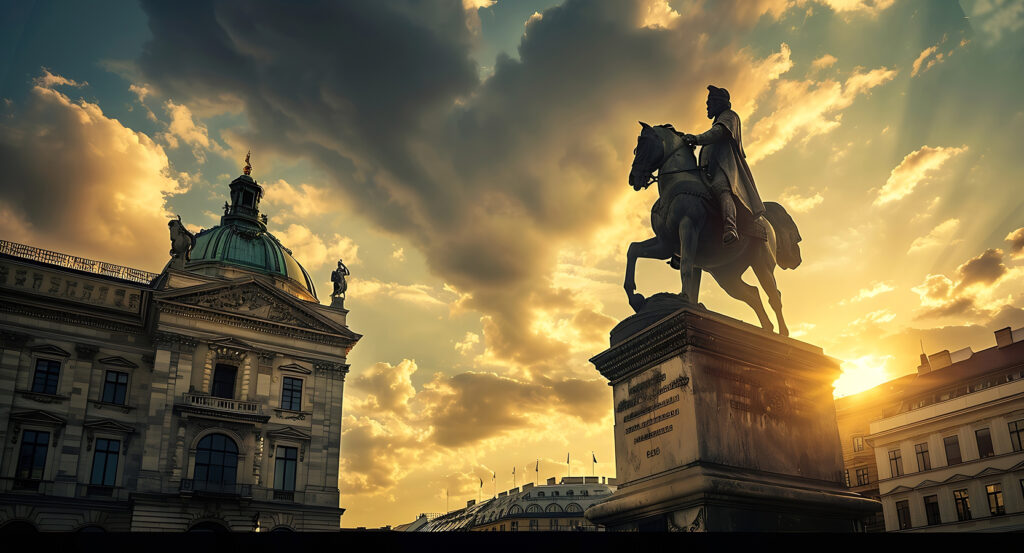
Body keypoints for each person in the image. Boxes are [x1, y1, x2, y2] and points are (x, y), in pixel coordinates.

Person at [683, 85, 765, 246]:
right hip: (707, 172)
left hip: (724, 169)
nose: (707, 106)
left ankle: (730, 227)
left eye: (710, 102)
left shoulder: (729, 117)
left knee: (722, 189)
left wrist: (696, 139)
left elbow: (718, 133)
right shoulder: (717, 122)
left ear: (719, 103)